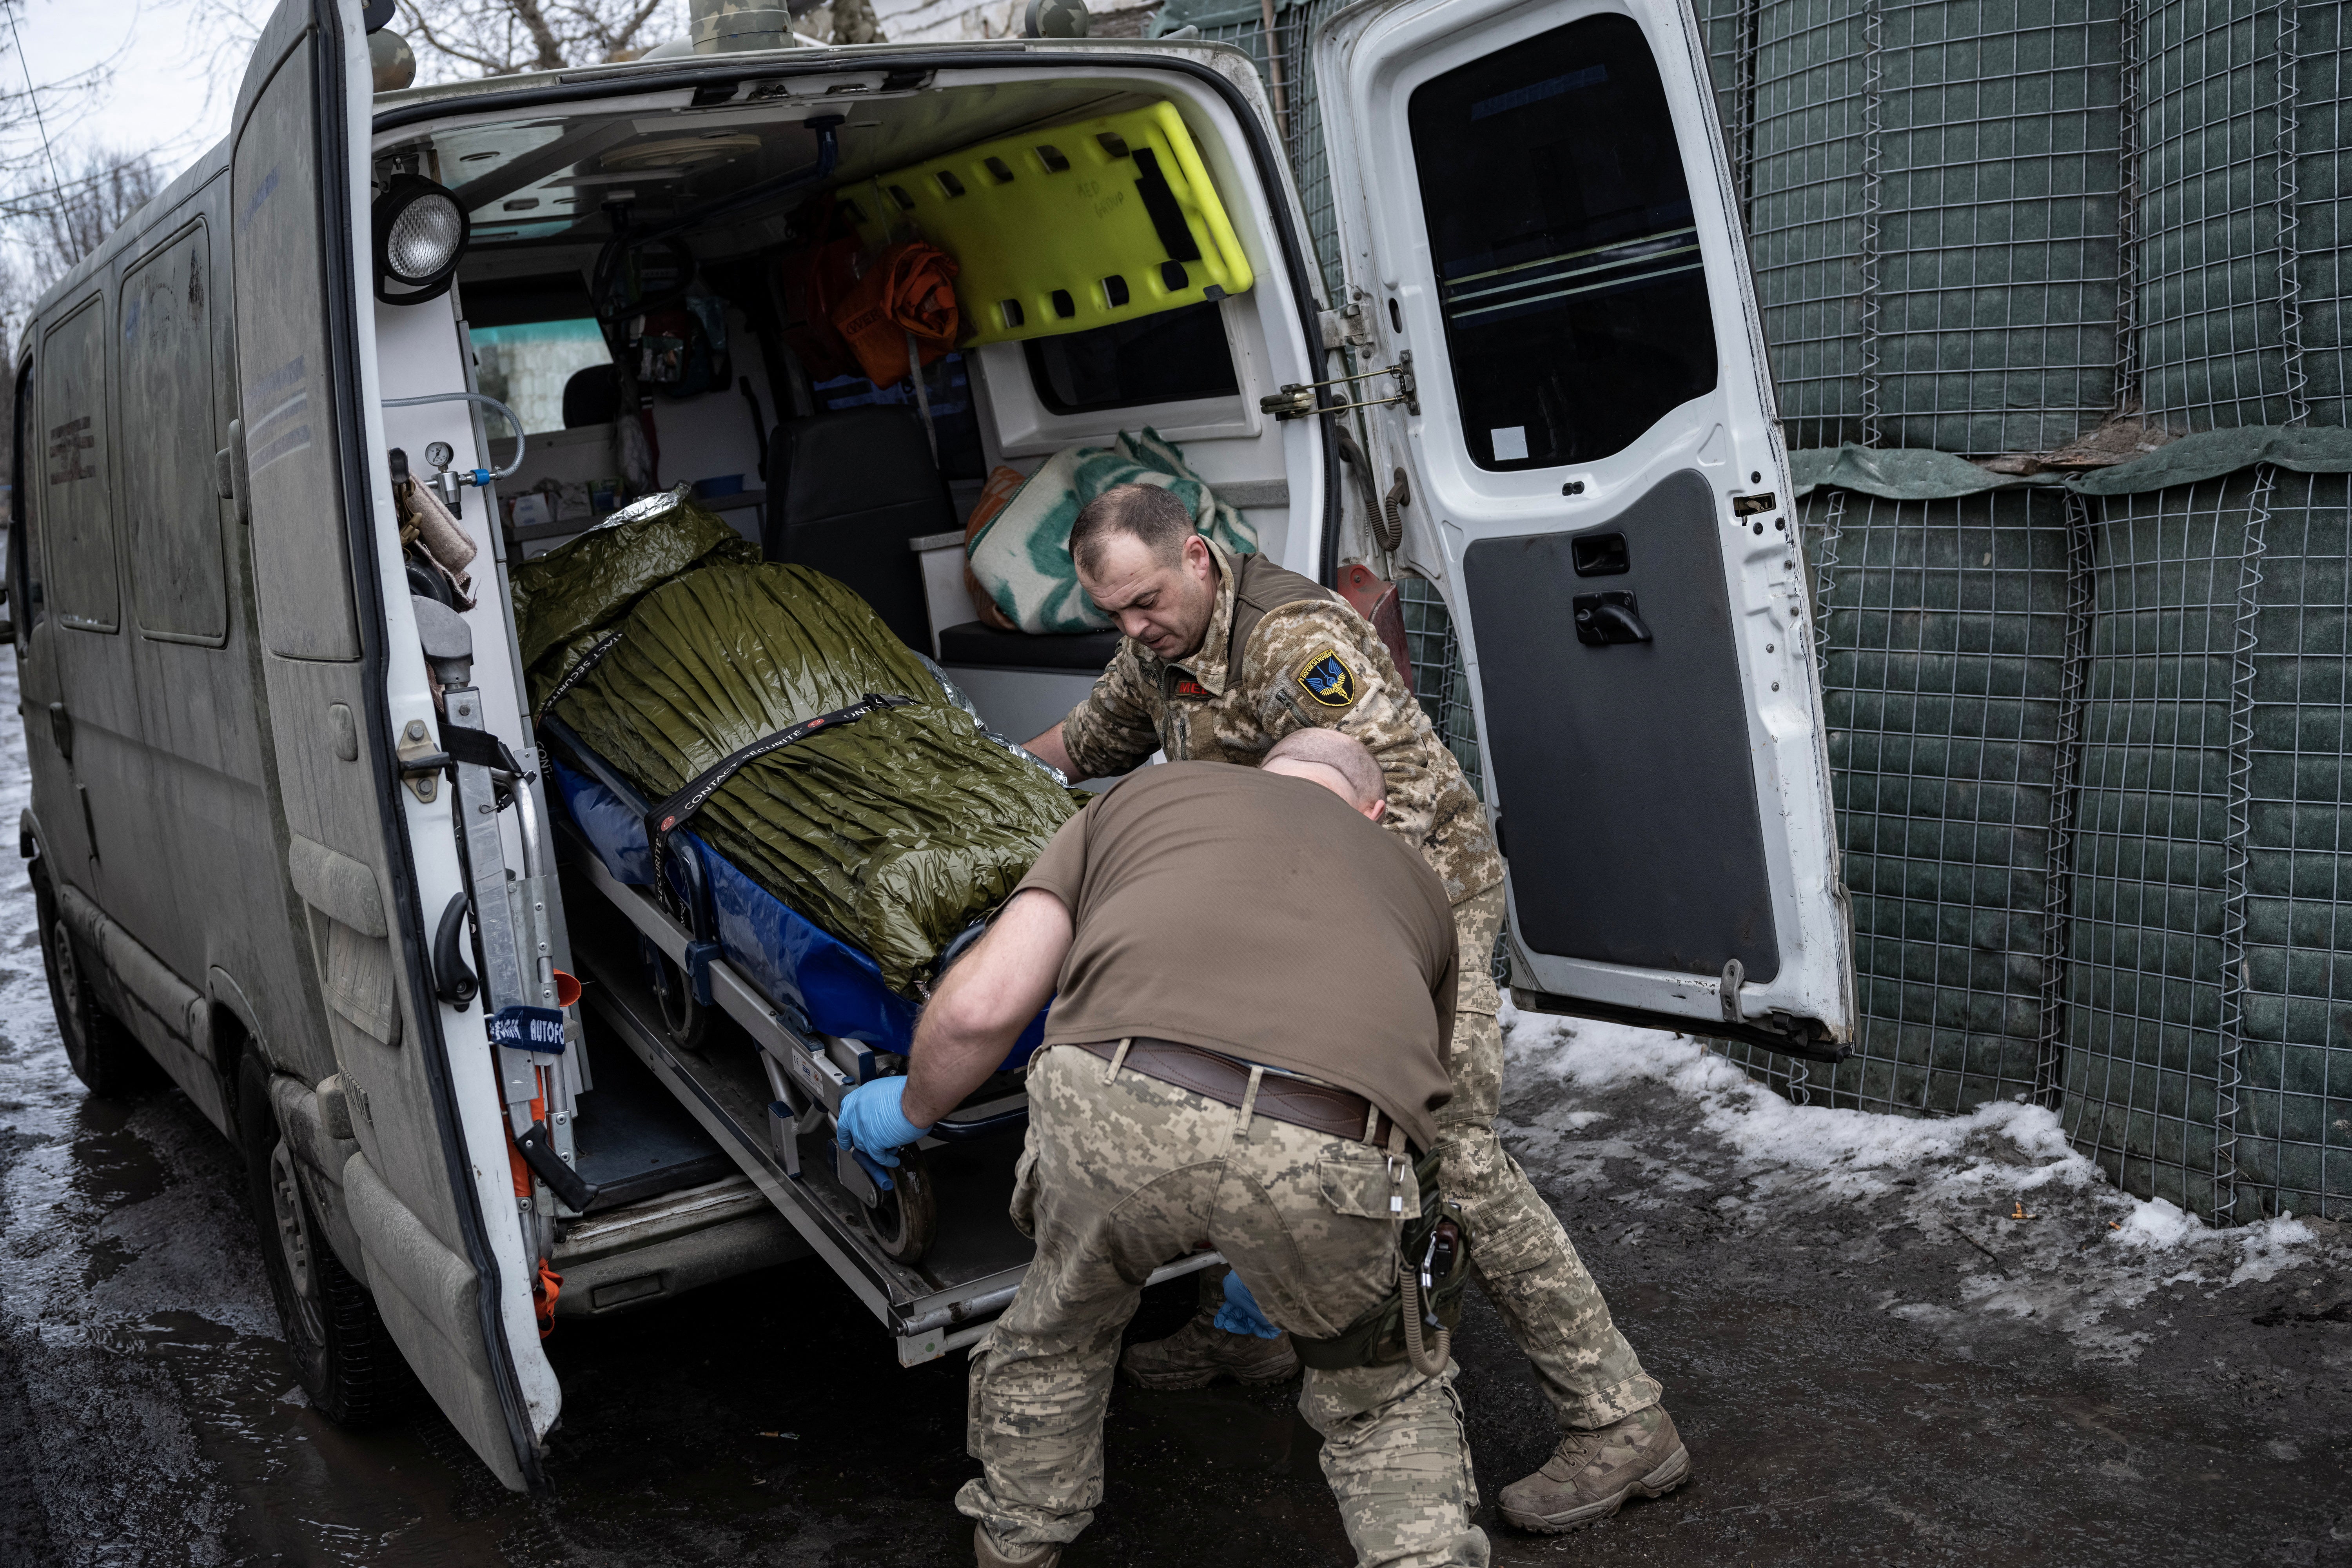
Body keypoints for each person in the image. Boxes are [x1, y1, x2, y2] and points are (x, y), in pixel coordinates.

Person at [1017, 484, 1688, 1534]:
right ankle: (1250, 1332)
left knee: (1453, 1156)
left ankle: (1622, 1422)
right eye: (1115, 614)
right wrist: (982, 777)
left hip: (1414, 900)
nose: (1135, 628)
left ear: (1198, 557)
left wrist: (1341, 993)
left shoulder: (1297, 642)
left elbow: (1396, 808)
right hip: (1278, 903)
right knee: (1234, 1090)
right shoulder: (1160, 646)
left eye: (1145, 602)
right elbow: (1090, 742)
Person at [836, 731, 1484, 1568]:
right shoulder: (1419, 886)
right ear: (1373, 810)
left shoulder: (1145, 800)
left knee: (1059, 1332)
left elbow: (979, 1009)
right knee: (1384, 1396)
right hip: (1329, 1137)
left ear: (1256, 779)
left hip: (1117, 1095)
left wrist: (915, 1105)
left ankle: (1016, 1544)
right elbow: (1419, 1102)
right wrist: (1316, 1260)